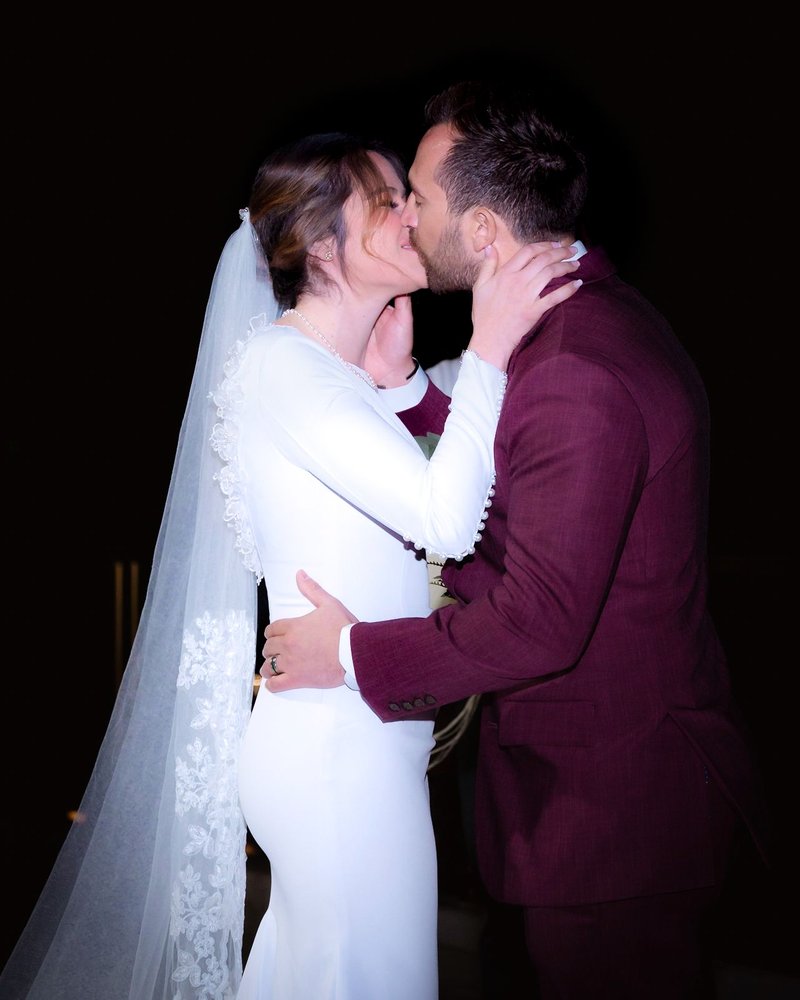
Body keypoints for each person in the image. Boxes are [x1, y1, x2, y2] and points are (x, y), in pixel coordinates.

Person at [0, 129, 579, 1000]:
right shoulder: (285, 369)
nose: (411, 215)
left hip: (352, 750)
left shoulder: (331, 378)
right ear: (321, 247)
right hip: (334, 761)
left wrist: (402, 382)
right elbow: (446, 518)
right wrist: (490, 344)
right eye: (386, 201)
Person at [261, 81, 770, 999]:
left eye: (418, 196)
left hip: (613, 812)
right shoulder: (584, 322)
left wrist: (347, 652)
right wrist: (413, 392)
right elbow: (530, 483)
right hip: (607, 799)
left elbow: (540, 617)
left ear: (485, 232)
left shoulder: (574, 364)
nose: (406, 216)